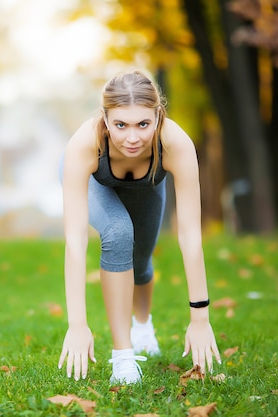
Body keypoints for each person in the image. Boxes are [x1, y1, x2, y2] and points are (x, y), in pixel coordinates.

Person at [57, 70, 221, 385]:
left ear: (158, 117)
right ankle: (123, 357)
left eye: (143, 124)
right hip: (96, 183)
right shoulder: (84, 145)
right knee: (119, 233)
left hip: (147, 183)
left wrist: (200, 318)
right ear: (105, 120)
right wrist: (77, 324)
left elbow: (190, 236)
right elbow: (76, 242)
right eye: (120, 125)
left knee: (141, 259)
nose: (132, 138)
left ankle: (143, 325)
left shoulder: (175, 144)